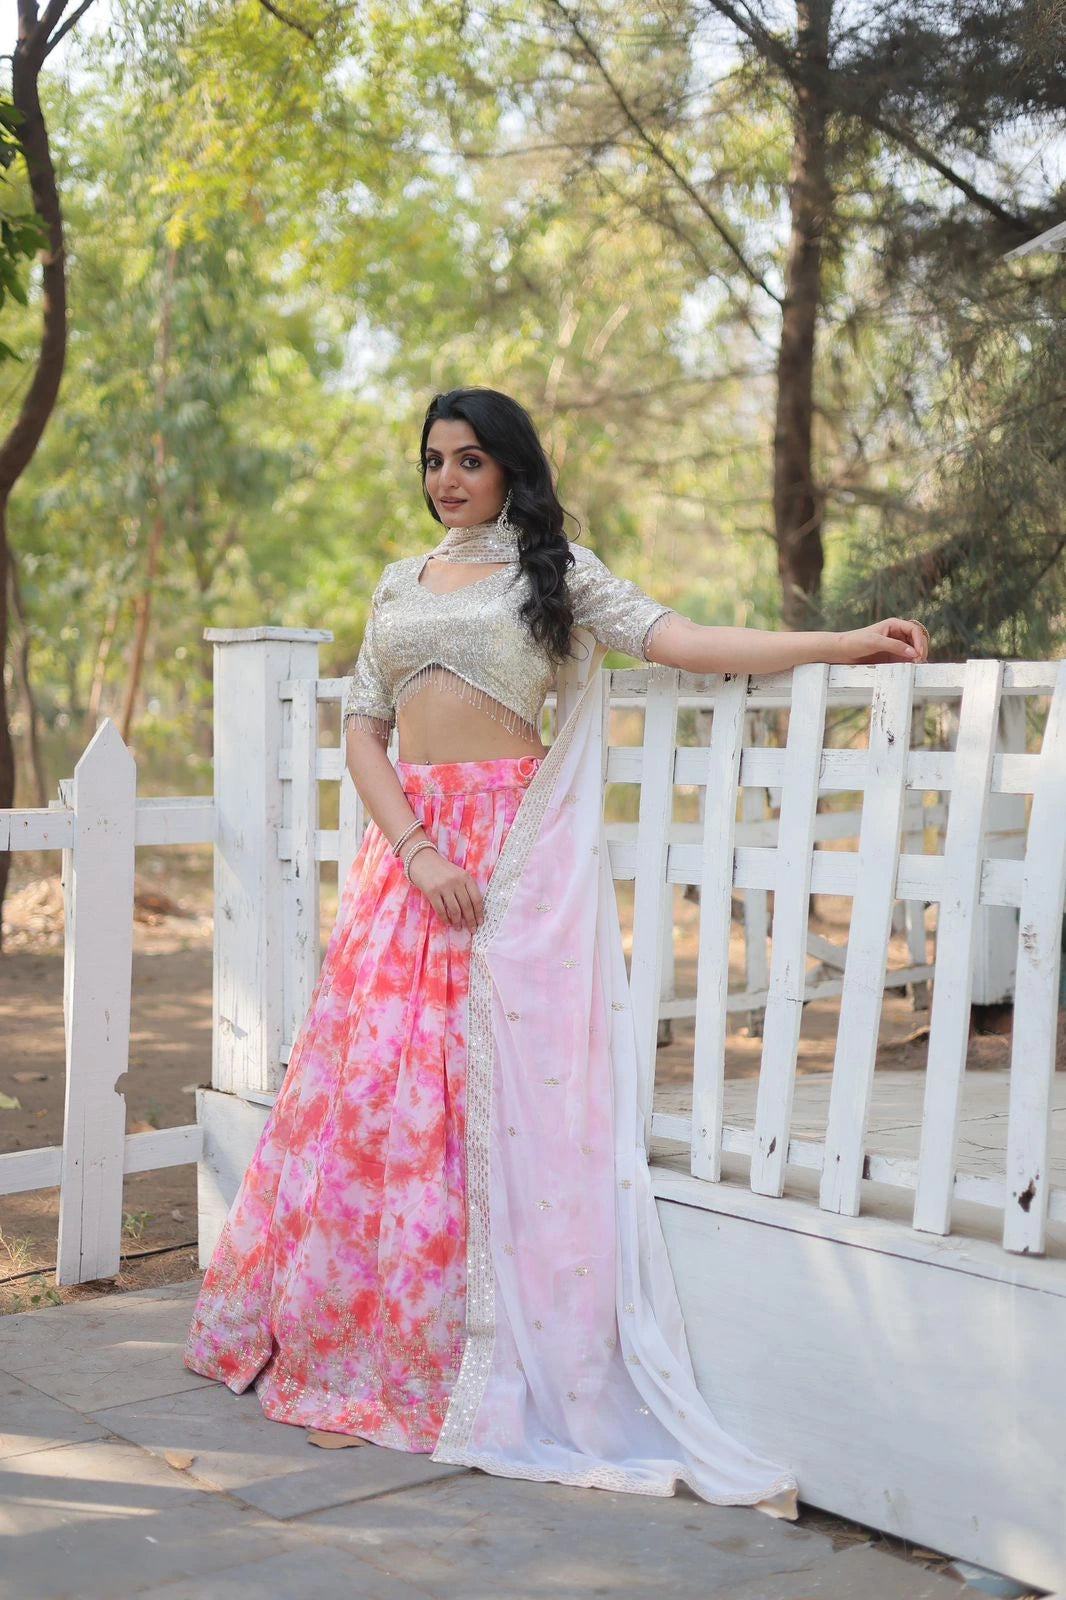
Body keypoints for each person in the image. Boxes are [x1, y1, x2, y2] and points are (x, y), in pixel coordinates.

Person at [183, 386, 929, 1520]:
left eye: (469, 459)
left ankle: (458, 1350)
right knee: (378, 1104)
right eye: (432, 459)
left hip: (508, 862)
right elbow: (361, 727)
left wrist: (836, 641)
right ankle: (356, 1338)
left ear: (511, 470)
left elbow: (678, 638)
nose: (445, 478)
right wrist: (416, 845)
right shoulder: (397, 582)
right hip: (414, 863)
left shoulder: (554, 571)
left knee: (479, 1107)